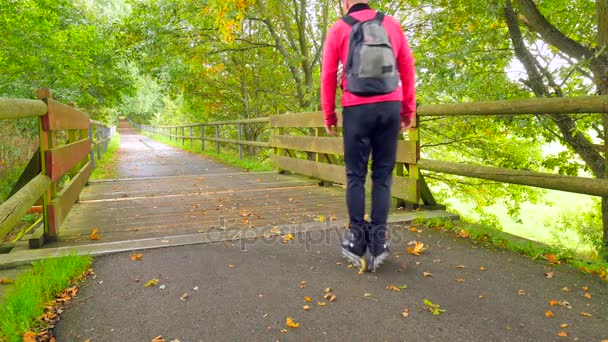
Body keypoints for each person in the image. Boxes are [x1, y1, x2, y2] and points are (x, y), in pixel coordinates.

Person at [321, 0, 416, 272]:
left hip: (356, 107)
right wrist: (407, 109)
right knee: (383, 176)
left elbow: (328, 75)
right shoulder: (391, 24)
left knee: (355, 175)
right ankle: (377, 244)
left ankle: (356, 242)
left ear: (345, 2)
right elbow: (407, 68)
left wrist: (329, 115)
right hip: (390, 106)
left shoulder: (339, 28)